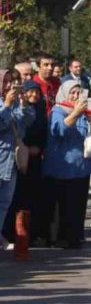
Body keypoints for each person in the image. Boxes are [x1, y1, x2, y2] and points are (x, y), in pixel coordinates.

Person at [43, 81, 91, 249]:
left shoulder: (83, 111)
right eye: (72, 93)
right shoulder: (58, 110)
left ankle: (76, 236)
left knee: (78, 205)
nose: (75, 96)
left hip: (81, 167)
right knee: (63, 206)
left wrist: (89, 117)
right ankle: (61, 238)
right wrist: (75, 113)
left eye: (78, 93)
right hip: (61, 167)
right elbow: (59, 129)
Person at [8, 79, 48, 247]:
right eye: (30, 91)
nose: (34, 95)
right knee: (17, 198)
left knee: (33, 198)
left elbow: (44, 132)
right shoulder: (20, 109)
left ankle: (31, 235)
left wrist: (38, 148)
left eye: (37, 92)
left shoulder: (40, 109)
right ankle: (13, 234)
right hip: (19, 158)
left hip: (35, 160)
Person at [0, 70, 34, 254]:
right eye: (6, 82)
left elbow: (27, 122)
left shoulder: (14, 103)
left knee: (5, 202)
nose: (9, 86)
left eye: (12, 82)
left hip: (12, 160)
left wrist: (23, 104)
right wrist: (5, 104)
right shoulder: (4, 103)